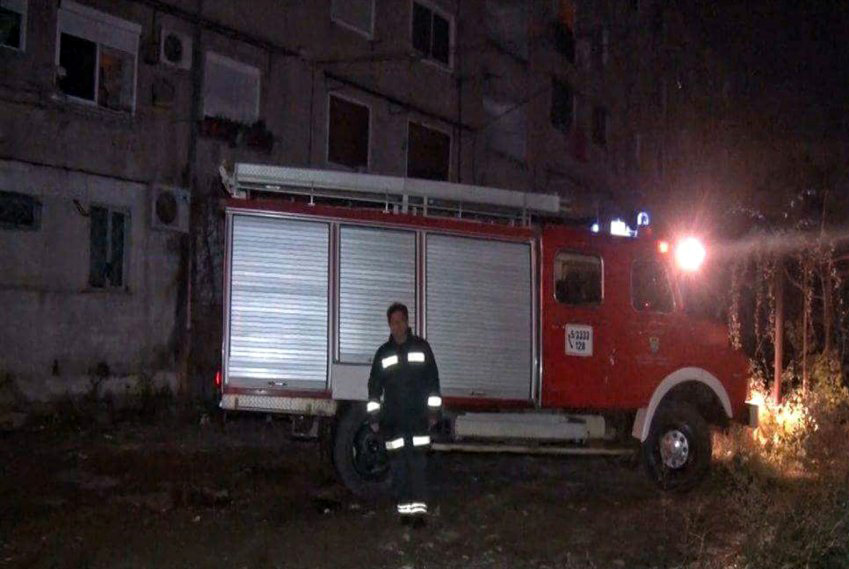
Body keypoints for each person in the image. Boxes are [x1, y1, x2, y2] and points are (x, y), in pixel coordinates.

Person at [367, 302, 441, 527]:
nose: (398, 326)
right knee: (399, 468)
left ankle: (419, 514)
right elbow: (374, 388)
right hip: (394, 421)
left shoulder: (422, 348)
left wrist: (433, 413)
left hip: (418, 419)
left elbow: (433, 383)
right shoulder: (383, 353)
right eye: (393, 322)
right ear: (389, 325)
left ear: (407, 322)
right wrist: (374, 419)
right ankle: (405, 513)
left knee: (418, 466)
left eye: (401, 321)